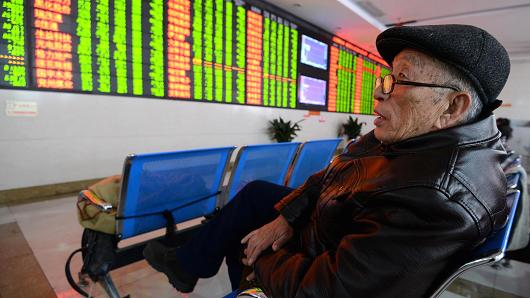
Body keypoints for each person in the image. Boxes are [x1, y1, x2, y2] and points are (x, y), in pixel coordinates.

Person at [143, 24, 510, 297]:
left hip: (323, 258)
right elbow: (340, 165)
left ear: (452, 106)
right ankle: (190, 265)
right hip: (330, 225)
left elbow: (329, 290)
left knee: (242, 234)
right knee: (257, 195)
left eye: (399, 81)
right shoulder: (418, 137)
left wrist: (259, 253)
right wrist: (286, 217)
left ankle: (191, 265)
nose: (377, 95)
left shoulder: (437, 198)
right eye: (386, 78)